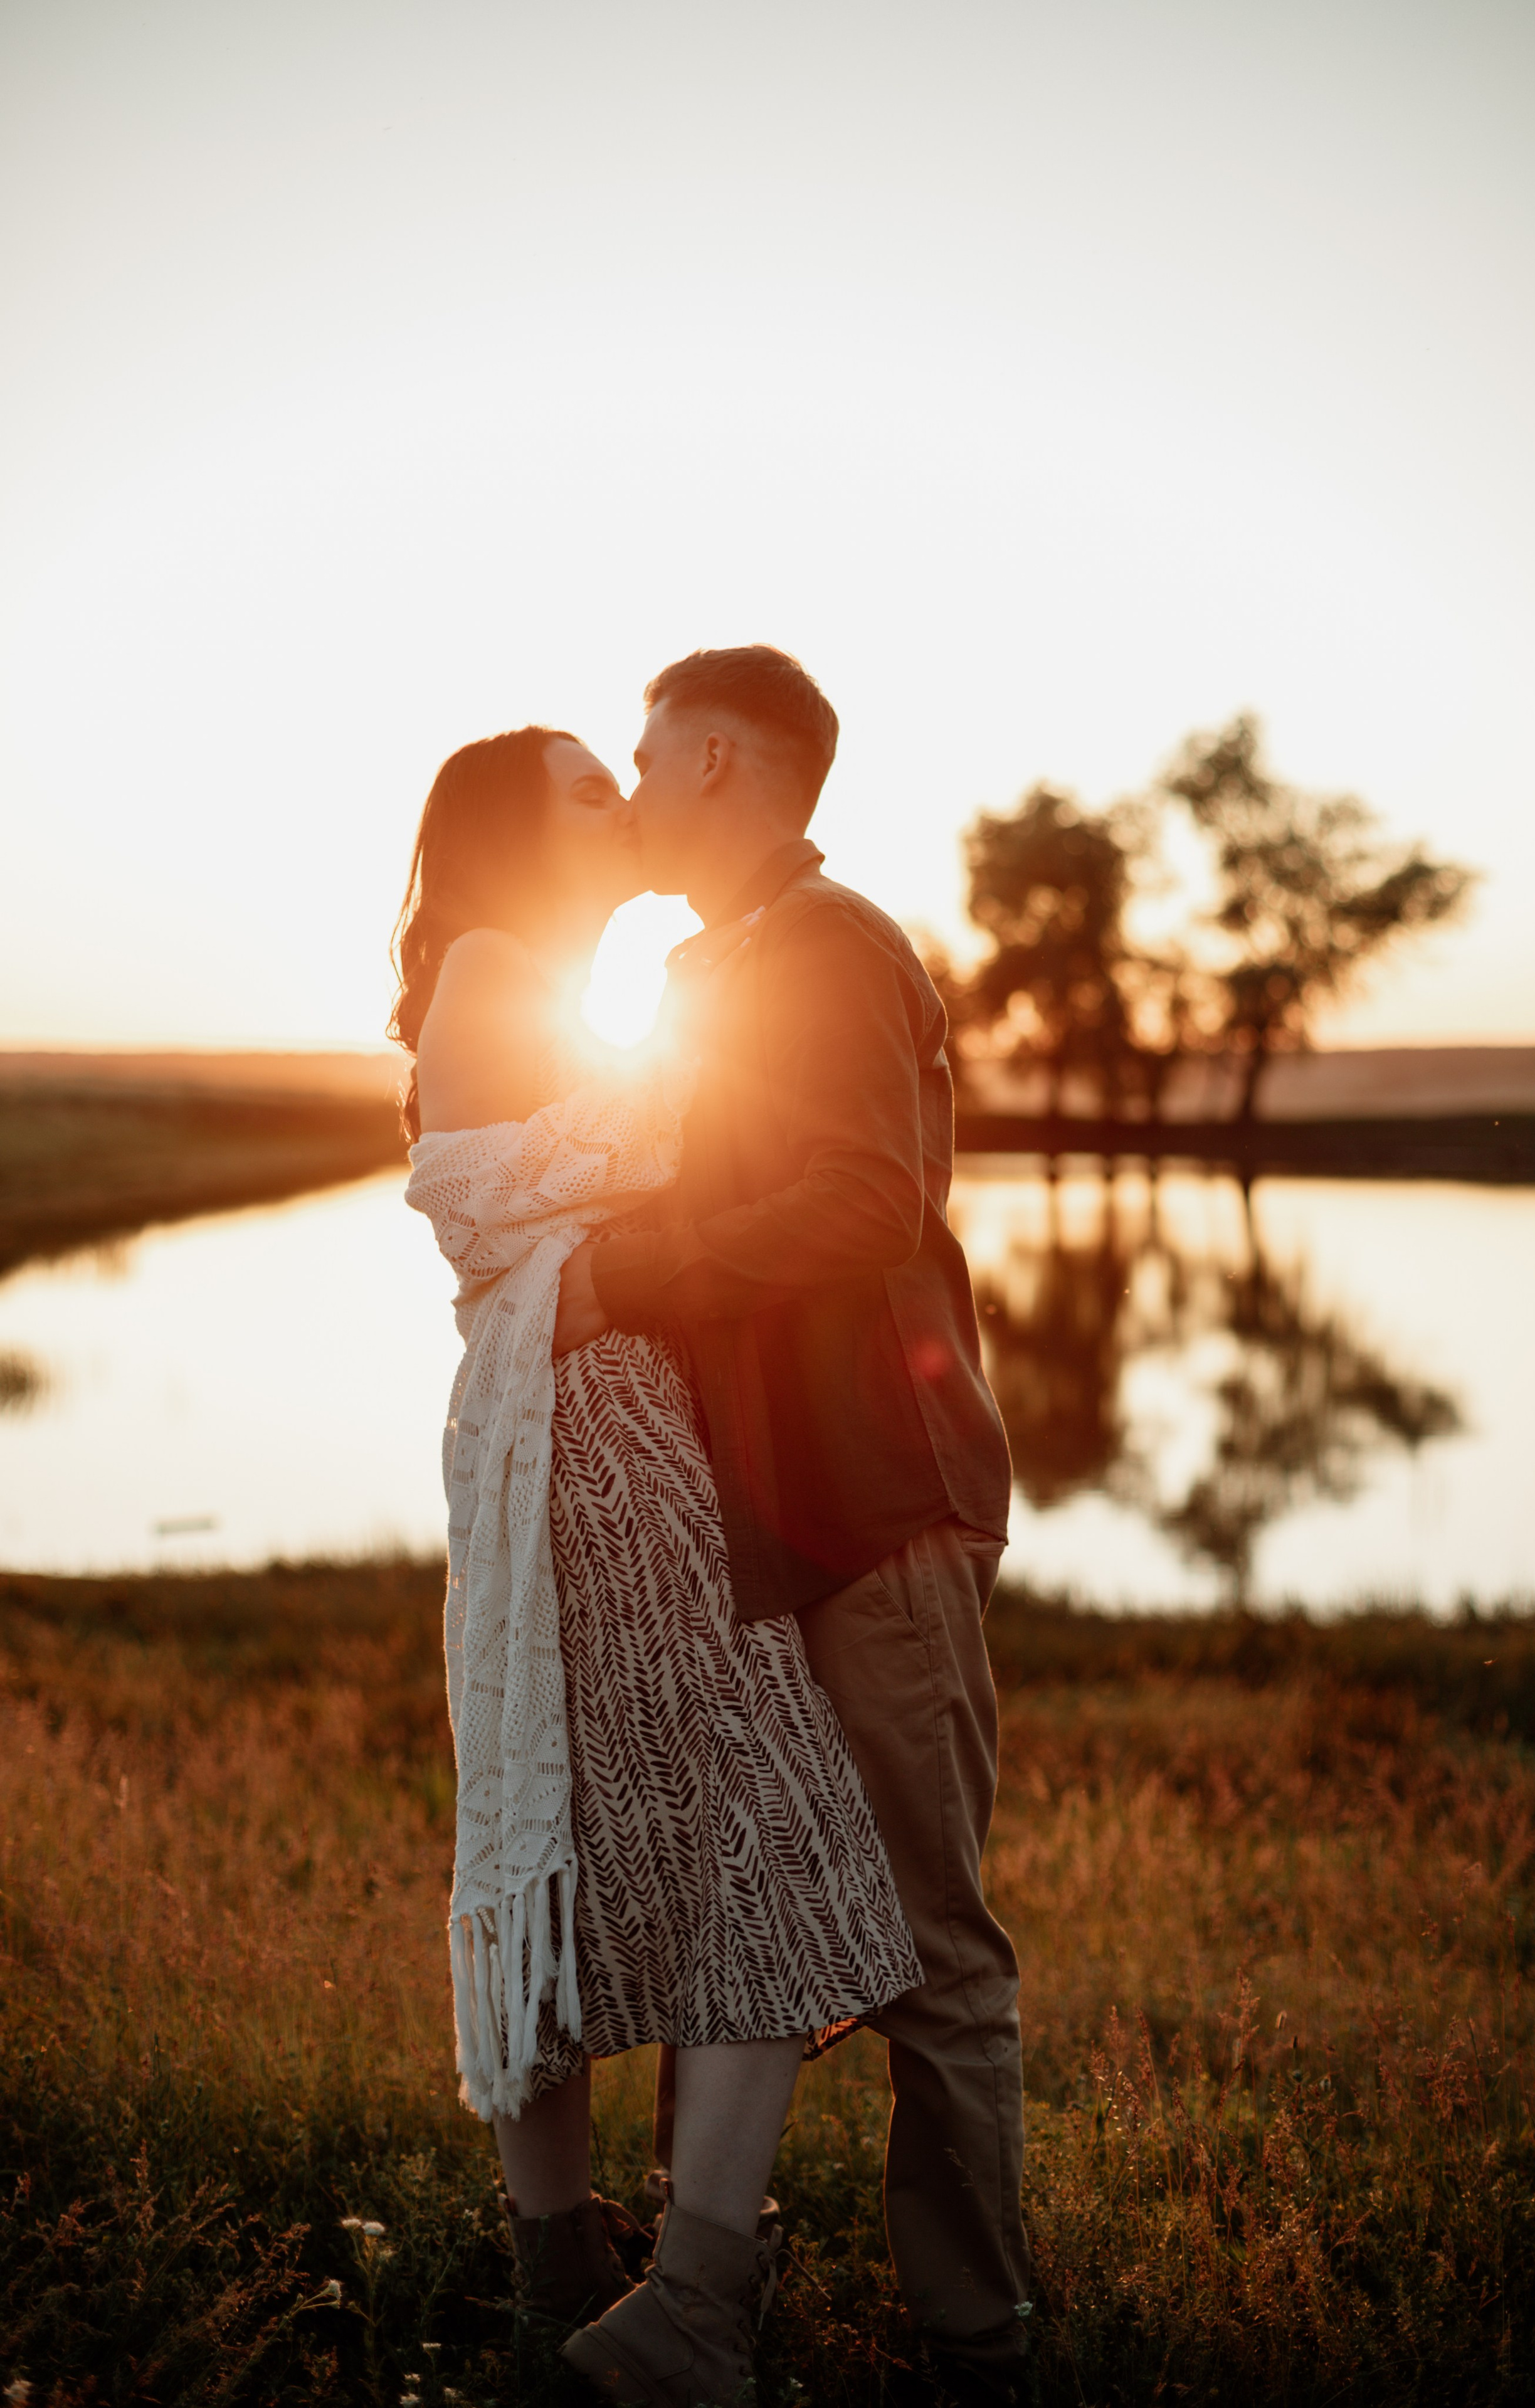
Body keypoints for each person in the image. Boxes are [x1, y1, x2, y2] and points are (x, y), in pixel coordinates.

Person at [392, 724, 921, 2407]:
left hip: (578, 1422)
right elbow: (551, 1179)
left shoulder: (548, 983)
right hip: (601, 1435)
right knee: (761, 1828)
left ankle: (568, 2262)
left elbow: (581, 1190)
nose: (624, 800)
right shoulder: (499, 963)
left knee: (570, 1833)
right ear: (516, 834)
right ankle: (691, 2302)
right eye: (588, 787)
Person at [554, 647, 1030, 2405]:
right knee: (735, 1908)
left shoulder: (826, 948)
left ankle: (981, 2344)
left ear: (721, 762)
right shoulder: (711, 966)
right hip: (759, 1523)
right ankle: (702, 2303)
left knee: (930, 1951)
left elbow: (862, 1203)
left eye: (649, 758)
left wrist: (632, 1274)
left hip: (876, 1504)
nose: (633, 789)